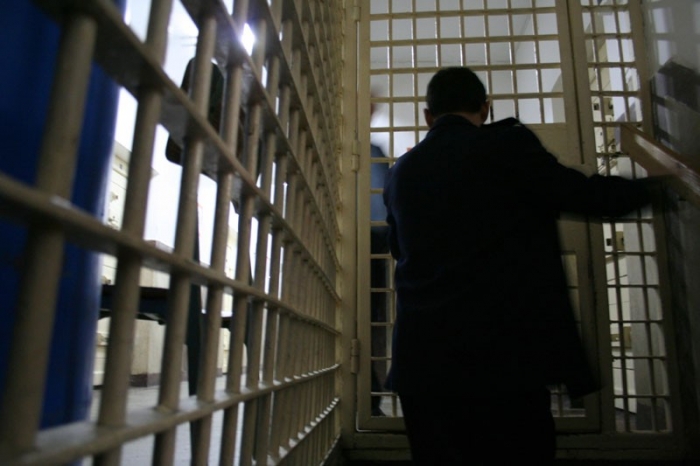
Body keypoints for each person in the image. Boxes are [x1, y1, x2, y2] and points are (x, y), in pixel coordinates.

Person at [383, 67, 660, 464]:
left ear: (428, 116)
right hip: (503, 352)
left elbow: (399, 249)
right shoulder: (506, 144)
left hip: (422, 355)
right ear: (485, 108)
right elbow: (580, 194)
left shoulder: (400, 172)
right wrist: (655, 186)